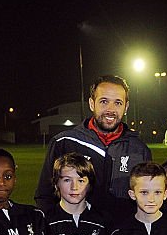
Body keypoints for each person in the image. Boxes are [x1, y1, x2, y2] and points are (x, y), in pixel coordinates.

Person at [34, 75, 151, 216]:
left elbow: (148, 197)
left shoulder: (139, 149)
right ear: (91, 104)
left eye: (118, 103)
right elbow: (45, 196)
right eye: (104, 101)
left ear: (126, 107)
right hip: (78, 234)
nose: (111, 109)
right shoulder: (65, 142)